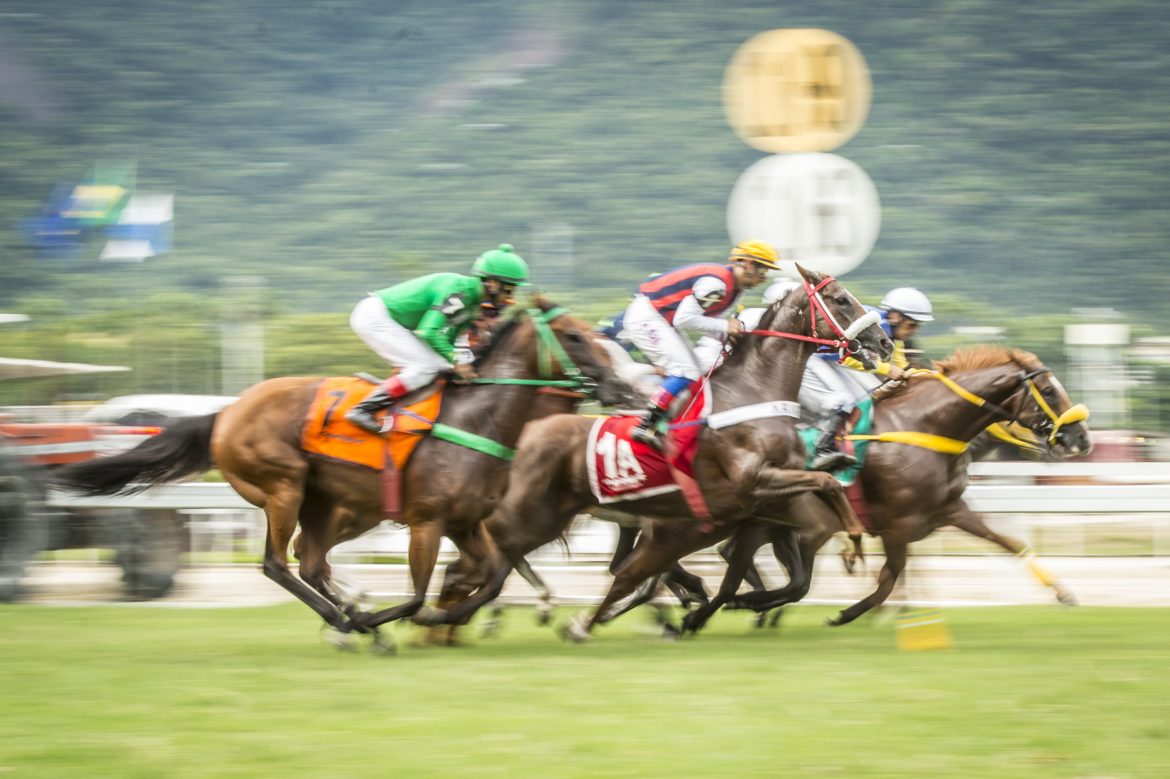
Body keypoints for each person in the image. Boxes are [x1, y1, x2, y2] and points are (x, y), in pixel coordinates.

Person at [345, 244, 529, 433]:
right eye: (508, 290)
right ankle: (363, 410)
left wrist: (461, 363)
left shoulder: (473, 303)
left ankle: (393, 387)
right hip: (375, 317)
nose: (510, 298)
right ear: (492, 284)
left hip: (392, 320)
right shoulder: (458, 293)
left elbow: (452, 340)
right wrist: (457, 361)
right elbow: (429, 331)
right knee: (426, 367)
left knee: (440, 365)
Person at [624, 240, 779, 450]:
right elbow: (684, 319)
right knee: (684, 370)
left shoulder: (735, 289)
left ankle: (669, 421)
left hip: (660, 318)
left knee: (695, 372)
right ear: (748, 264)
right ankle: (646, 424)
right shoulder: (717, 285)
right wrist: (725, 327)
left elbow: (706, 321)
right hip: (646, 317)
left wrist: (725, 335)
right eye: (762, 270)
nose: (763, 278)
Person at [801, 286, 934, 470]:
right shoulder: (872, 324)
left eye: (919, 325)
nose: (915, 330)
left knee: (862, 399)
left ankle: (841, 444)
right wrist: (886, 369)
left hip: (833, 361)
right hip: (816, 357)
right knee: (844, 400)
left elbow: (901, 364)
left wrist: (927, 377)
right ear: (895, 317)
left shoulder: (894, 334)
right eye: (912, 324)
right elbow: (848, 357)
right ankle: (821, 450)